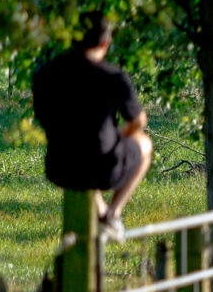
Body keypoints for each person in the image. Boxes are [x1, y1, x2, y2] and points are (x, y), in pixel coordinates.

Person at [30, 13, 154, 240]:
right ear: (106, 43)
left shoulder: (46, 73)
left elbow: (42, 116)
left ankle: (102, 212)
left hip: (60, 166)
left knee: (82, 153)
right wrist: (120, 135)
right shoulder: (112, 75)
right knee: (144, 144)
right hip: (104, 168)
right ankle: (113, 214)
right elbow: (138, 121)